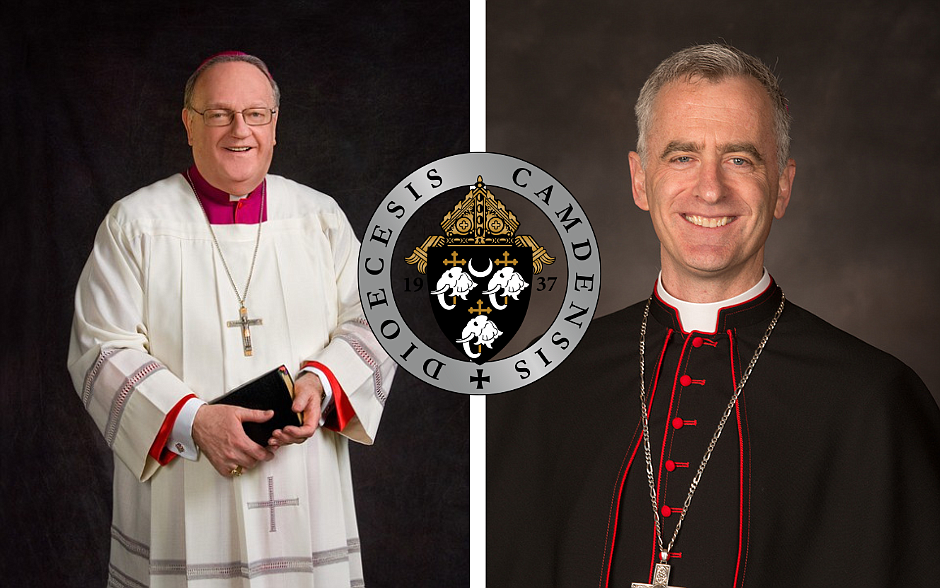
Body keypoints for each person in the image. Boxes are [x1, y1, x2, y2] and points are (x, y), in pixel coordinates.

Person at [487, 44, 940, 587]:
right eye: (681, 156)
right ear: (638, 180)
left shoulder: (876, 401)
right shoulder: (547, 383)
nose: (710, 188)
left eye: (740, 159)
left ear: (783, 187)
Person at [68, 51, 396, 587]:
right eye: (219, 113)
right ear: (188, 124)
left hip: (302, 483)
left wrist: (323, 381)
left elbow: (377, 321)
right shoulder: (137, 223)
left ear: (274, 126)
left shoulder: (319, 218)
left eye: (255, 114)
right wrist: (193, 421)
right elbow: (99, 348)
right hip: (188, 488)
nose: (239, 129)